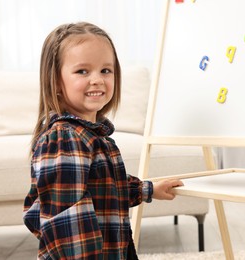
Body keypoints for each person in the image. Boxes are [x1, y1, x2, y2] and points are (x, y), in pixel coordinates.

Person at [23, 22, 184, 259]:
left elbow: (109, 188)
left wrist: (149, 189)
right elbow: (66, 217)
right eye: (82, 71)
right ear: (56, 81)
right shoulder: (65, 138)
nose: (97, 79)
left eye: (105, 70)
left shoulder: (92, 136)